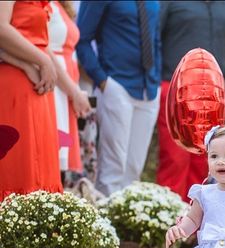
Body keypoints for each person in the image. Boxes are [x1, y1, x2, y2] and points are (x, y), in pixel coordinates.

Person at [158, 1, 225, 202]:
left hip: (212, 96)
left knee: (206, 159)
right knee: (175, 157)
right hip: (175, 90)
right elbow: (155, 38)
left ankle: (197, 221)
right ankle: (172, 219)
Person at [76, 1, 161, 196]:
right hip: (116, 84)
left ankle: (126, 222)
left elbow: (156, 38)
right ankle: (106, 221)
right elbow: (82, 38)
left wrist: (155, 78)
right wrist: (102, 80)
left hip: (149, 88)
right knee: (112, 167)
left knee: (134, 167)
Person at [0, 0, 62, 201]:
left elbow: (39, 40)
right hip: (15, 86)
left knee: (40, 166)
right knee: (19, 165)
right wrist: (39, 61)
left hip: (35, 81)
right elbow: (1, 27)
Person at [48, 1, 92, 186]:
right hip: (54, 85)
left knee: (60, 158)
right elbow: (42, 45)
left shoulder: (60, 5)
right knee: (51, 153)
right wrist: (73, 91)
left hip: (64, 88)